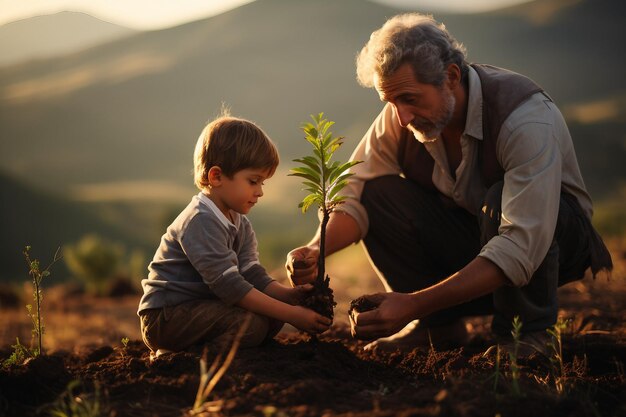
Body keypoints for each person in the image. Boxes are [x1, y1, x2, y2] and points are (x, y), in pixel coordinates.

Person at [286, 13, 612, 353]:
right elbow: (353, 189)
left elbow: (521, 245)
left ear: (451, 76)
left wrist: (411, 304)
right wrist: (315, 250)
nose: (401, 117)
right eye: (391, 102)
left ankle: (528, 334)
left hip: (550, 247)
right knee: (376, 192)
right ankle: (437, 328)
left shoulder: (523, 119)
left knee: (500, 199)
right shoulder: (403, 116)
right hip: (475, 240)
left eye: (410, 99)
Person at [138, 112, 331, 358]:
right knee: (251, 326)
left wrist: (289, 297)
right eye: (253, 181)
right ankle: (182, 357)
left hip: (205, 308)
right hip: (167, 316)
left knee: (271, 319)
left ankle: (206, 350)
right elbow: (230, 287)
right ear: (216, 176)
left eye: (263, 183)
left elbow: (251, 273)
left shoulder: (239, 222)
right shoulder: (201, 221)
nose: (260, 192)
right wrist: (292, 314)